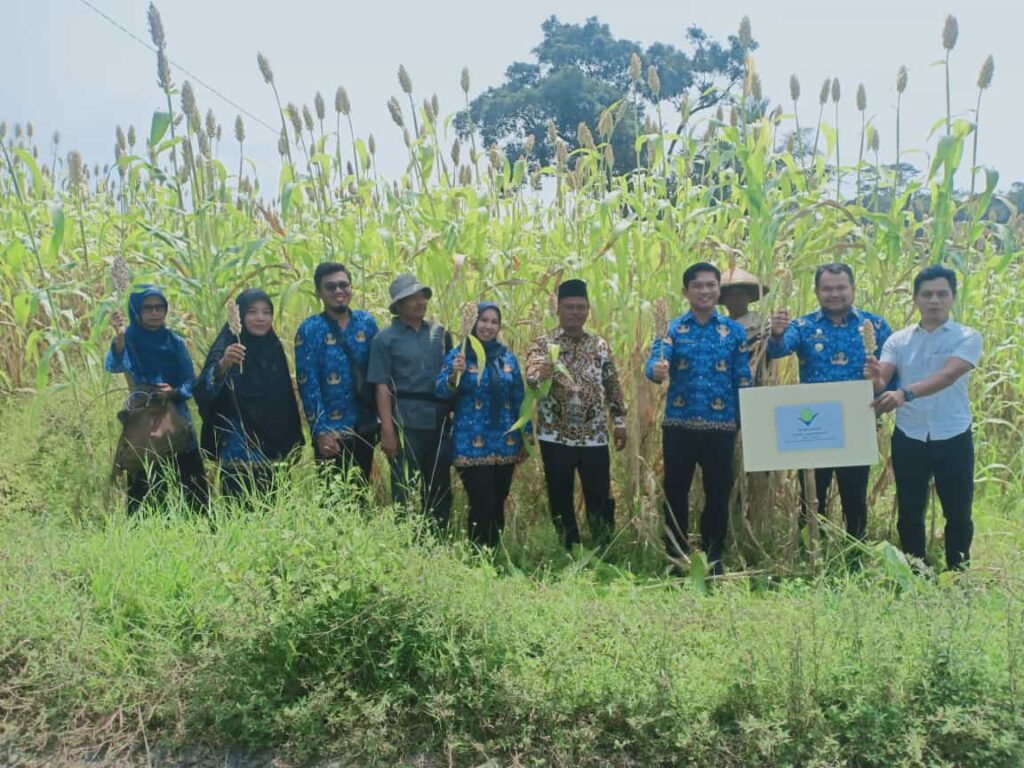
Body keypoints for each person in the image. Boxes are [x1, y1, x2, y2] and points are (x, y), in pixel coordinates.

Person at [866, 265, 982, 569]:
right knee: (910, 509)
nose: (935, 300)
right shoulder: (898, 340)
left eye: (942, 294)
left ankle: (957, 572)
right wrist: (876, 378)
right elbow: (883, 383)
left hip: (953, 435)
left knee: (958, 512)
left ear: (953, 297)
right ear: (915, 298)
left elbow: (947, 376)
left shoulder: (967, 337)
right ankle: (916, 569)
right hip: (910, 436)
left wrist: (905, 394)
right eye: (927, 294)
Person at [767, 263, 893, 539]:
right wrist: (776, 333)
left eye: (840, 287)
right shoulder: (802, 326)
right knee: (812, 493)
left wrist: (881, 386)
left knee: (854, 495)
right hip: (813, 424)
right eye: (827, 288)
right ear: (816, 291)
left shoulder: (876, 326)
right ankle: (811, 550)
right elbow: (778, 351)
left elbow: (893, 373)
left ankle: (854, 552)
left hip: (857, 421)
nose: (834, 294)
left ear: (853, 289)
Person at [646, 263, 753, 574]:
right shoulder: (672, 329)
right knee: (675, 492)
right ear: (686, 292)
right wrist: (656, 370)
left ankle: (713, 556)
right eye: (698, 286)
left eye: (711, 285)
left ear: (719, 290)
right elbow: (655, 362)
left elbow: (742, 376)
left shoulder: (733, 331)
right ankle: (676, 557)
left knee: (718, 493)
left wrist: (745, 418)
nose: (705, 291)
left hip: (721, 427)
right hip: (679, 425)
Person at [525, 279, 627, 550]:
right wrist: (539, 375)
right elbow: (531, 375)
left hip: (594, 435)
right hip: (554, 434)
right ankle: (569, 546)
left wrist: (619, 421)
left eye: (581, 307)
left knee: (600, 493)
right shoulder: (544, 343)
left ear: (588, 310)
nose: (575, 312)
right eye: (569, 307)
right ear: (557, 309)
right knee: (560, 494)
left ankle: (603, 546)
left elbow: (612, 384)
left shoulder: (599, 345)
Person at [107, 285, 209, 512]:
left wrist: (173, 392)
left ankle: (201, 531)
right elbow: (115, 364)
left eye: (160, 307)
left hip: (176, 420)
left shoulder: (174, 342)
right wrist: (120, 337)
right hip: (143, 421)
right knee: (143, 488)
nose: (155, 313)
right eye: (148, 308)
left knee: (192, 488)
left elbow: (190, 381)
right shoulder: (130, 339)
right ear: (136, 311)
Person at [196, 289, 303, 499]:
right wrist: (223, 364)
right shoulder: (227, 345)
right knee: (238, 507)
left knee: (276, 505)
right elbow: (203, 390)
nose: (260, 318)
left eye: (266, 312)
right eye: (253, 312)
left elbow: (284, 399)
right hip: (238, 444)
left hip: (274, 443)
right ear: (241, 315)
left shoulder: (273, 347)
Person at [436, 302, 528, 547]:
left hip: (505, 443)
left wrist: (525, 437)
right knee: (482, 502)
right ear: (474, 323)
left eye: (494, 321)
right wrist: (454, 374)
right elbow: (441, 392)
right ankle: (478, 557)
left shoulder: (507, 357)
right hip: (470, 444)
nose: (488, 326)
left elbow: (519, 397)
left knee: (498, 501)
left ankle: (493, 554)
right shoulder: (459, 355)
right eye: (483, 320)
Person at [367, 274, 453, 529]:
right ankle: (405, 540)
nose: (419, 302)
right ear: (398, 305)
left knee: (439, 485)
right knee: (404, 485)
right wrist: (387, 430)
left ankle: (437, 539)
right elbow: (381, 386)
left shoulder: (440, 334)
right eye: (411, 298)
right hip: (405, 420)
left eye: (422, 296)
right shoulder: (385, 339)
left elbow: (452, 377)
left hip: (438, 420)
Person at [295, 263, 380, 483]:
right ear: (319, 292)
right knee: (332, 498)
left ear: (351, 287)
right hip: (331, 431)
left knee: (361, 490)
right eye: (330, 287)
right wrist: (320, 431)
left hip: (364, 425)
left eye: (343, 285)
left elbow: (380, 374)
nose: (338, 291)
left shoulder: (367, 324)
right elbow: (308, 384)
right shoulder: (310, 329)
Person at [719, 266, 769, 383]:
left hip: (757, 384)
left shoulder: (761, 324)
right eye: (730, 295)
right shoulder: (719, 327)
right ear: (724, 300)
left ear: (748, 297)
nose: (735, 299)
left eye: (740, 294)